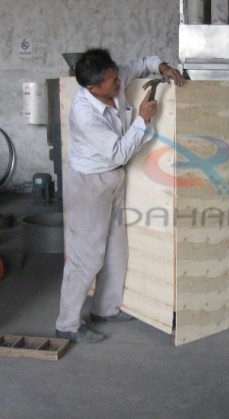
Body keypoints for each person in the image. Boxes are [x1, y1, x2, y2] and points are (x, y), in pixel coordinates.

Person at [55, 48, 184, 343]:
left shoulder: (114, 77)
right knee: (86, 257)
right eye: (112, 81)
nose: (118, 82)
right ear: (92, 88)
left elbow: (143, 63)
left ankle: (105, 308)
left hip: (114, 178)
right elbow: (118, 153)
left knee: (116, 249)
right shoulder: (85, 114)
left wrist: (162, 67)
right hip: (89, 184)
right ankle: (67, 324)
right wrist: (142, 119)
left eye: (116, 75)